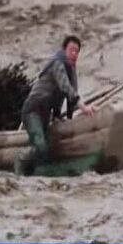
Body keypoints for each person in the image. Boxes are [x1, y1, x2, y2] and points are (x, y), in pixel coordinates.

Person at [15, 35, 96, 175]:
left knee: (47, 148)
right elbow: (66, 87)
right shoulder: (57, 64)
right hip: (33, 110)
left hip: (46, 113)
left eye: (77, 51)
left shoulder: (71, 69)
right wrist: (84, 107)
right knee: (40, 145)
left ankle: (37, 174)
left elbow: (72, 95)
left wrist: (68, 119)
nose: (74, 54)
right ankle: (20, 164)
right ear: (64, 50)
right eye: (71, 50)